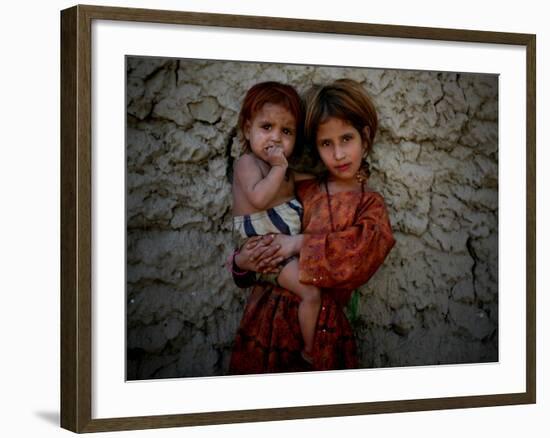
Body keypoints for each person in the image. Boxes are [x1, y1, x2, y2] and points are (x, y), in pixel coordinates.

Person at [229, 79, 396, 374]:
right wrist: (242, 262)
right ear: (314, 146)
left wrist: (297, 243)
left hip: (321, 331)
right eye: (326, 144)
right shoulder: (299, 189)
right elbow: (254, 255)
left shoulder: (369, 205)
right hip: (265, 325)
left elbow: (358, 257)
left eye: (347, 138)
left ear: (365, 138)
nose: (339, 154)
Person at [231, 81, 320, 364]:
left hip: (279, 253)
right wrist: (280, 167)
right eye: (266, 127)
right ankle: (311, 350)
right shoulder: (248, 163)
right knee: (311, 292)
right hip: (266, 253)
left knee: (312, 290)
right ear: (248, 130)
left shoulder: (287, 172)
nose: (276, 138)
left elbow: (318, 179)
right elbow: (258, 197)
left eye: (287, 131)